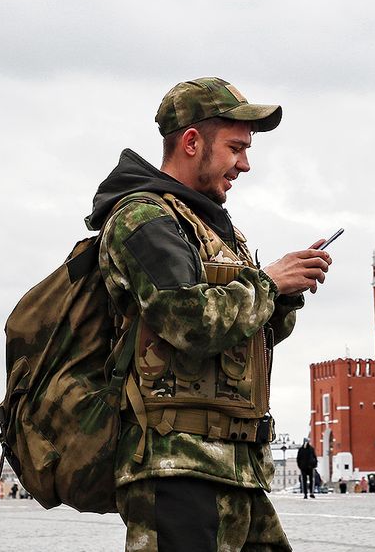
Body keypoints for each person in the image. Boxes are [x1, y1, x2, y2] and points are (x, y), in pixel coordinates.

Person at [96, 78, 332, 551]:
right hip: (178, 468)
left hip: (236, 468)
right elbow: (188, 320)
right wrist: (269, 283)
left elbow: (247, 339)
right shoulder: (144, 219)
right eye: (235, 148)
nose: (245, 163)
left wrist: (285, 295)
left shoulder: (211, 227)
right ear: (191, 142)